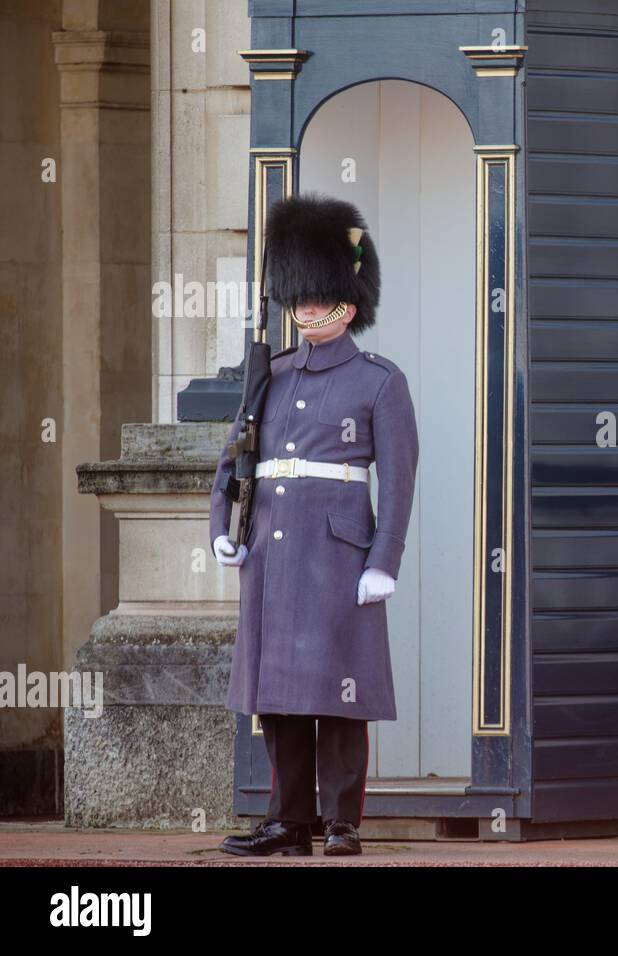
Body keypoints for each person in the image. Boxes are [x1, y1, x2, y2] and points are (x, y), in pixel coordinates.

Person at [207, 192, 419, 856]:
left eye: (314, 299)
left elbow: (401, 476)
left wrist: (384, 560)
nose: (302, 311)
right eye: (296, 299)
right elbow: (237, 452)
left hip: (337, 550)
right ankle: (289, 820)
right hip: (271, 545)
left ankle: (342, 822)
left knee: (339, 693)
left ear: (345, 305)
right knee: (281, 692)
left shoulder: (378, 381)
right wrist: (222, 523)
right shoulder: (271, 374)